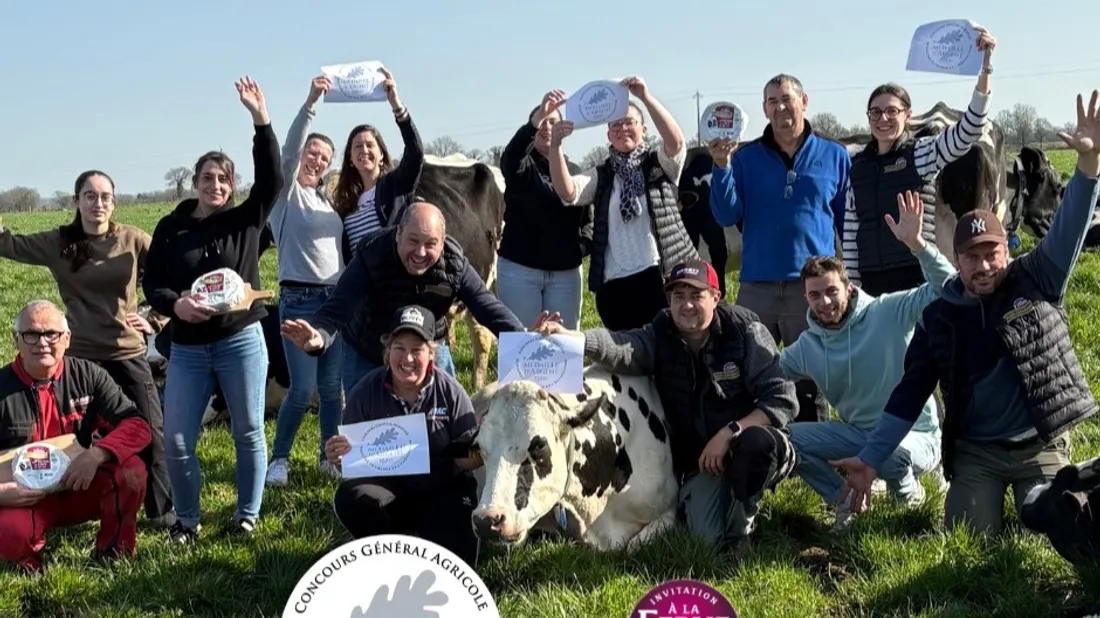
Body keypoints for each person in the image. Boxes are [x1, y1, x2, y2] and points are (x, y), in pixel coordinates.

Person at [832, 90, 1100, 536]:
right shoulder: (940, 316)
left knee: (1051, 525)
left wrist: (1089, 168)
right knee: (970, 540)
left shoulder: (1037, 278)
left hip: (1039, 442)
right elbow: (909, 393)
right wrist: (870, 458)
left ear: (1006, 250)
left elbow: (1071, 229)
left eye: (991, 253)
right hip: (978, 451)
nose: (983, 266)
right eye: (971, 257)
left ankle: (1054, 491)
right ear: (956, 259)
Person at [539, 259, 798, 553]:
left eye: (696, 295)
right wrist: (579, 340)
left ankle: (742, 532)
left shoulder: (744, 330)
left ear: (716, 297)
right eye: (678, 296)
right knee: (706, 540)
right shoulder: (661, 333)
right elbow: (624, 346)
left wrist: (729, 432)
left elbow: (783, 398)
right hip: (703, 461)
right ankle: (727, 509)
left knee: (755, 447)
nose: (686, 305)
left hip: (751, 440)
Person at [143, 76, 284, 544]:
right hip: (187, 347)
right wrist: (175, 305)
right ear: (195, 182)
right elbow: (153, 282)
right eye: (208, 177)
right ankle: (186, 519)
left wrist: (260, 120)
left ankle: (247, 513)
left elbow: (273, 178)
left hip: (240, 340)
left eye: (224, 178)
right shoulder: (171, 227)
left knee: (247, 431)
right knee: (178, 439)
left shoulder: (246, 219)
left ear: (233, 185)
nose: (216, 184)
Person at [0, 170, 174, 528]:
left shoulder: (133, 239)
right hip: (77, 358)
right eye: (90, 196)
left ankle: (163, 512)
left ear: (114, 201)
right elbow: (9, 245)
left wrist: (155, 319)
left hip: (126, 351)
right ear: (76, 200)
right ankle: (66, 506)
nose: (98, 203)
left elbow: (170, 277)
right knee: (75, 440)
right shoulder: (59, 243)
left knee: (152, 432)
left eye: (105, 196)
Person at [779, 190, 954, 530]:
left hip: (916, 436)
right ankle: (847, 502)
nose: (825, 302)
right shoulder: (807, 346)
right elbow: (770, 375)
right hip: (856, 435)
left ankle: (912, 506)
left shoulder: (887, 311)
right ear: (806, 298)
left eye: (832, 291)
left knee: (888, 451)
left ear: (848, 287)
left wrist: (917, 244)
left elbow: (946, 287)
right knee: (785, 440)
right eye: (815, 295)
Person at [708, 73, 851, 424]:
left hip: (811, 288)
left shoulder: (834, 155)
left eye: (787, 98)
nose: (780, 107)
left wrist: (848, 274)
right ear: (763, 109)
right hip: (758, 284)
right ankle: (752, 439)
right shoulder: (745, 158)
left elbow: (846, 220)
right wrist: (721, 166)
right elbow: (725, 213)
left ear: (804, 101)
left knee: (813, 372)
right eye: (772, 101)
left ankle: (813, 445)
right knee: (745, 365)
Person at [281, 202, 530, 391]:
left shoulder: (453, 263)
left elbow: (487, 306)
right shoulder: (371, 254)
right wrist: (319, 336)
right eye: (413, 240)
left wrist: (525, 338)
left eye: (431, 244)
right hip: (370, 348)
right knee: (365, 425)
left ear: (442, 243)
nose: (420, 252)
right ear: (398, 233)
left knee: (449, 419)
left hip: (429, 345)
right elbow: (338, 307)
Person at [324, 305, 484, 566]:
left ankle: (436, 537)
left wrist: (485, 442)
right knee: (352, 498)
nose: (407, 359)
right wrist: (340, 457)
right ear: (387, 351)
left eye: (417, 350)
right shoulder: (365, 392)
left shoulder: (451, 392)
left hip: (444, 489)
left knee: (457, 563)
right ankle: (388, 554)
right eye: (399, 348)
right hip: (391, 491)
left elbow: (466, 460)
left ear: (431, 353)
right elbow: (354, 462)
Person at [843, 26, 997, 295]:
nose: (883, 119)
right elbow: (851, 232)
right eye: (876, 112)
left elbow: (970, 129)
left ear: (908, 116)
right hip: (870, 286)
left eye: (892, 111)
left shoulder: (921, 154)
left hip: (917, 279)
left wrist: (985, 67)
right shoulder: (857, 165)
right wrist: (852, 290)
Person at [0, 301, 151, 572]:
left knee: (132, 471)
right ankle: (29, 564)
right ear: (16, 340)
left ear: (67, 339)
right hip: (20, 498)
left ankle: (114, 552)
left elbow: (137, 425)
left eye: (51, 334)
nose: (42, 343)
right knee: (10, 532)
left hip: (78, 486)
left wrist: (97, 454)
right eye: (31, 334)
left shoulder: (89, 375)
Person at [547, 76, 699, 331]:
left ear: (644, 129)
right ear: (608, 134)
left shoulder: (658, 164)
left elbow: (676, 143)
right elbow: (568, 192)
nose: (622, 129)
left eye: (629, 122)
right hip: (615, 285)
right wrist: (555, 147)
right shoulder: (603, 174)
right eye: (615, 125)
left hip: (659, 277)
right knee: (626, 360)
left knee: (666, 354)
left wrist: (646, 98)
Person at [265, 76, 345, 488]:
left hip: (335, 302)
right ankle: (278, 459)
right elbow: (289, 149)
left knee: (333, 388)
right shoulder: (285, 195)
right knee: (303, 389)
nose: (317, 160)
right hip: (298, 299)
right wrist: (311, 102)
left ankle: (327, 457)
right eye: (313, 153)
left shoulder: (327, 201)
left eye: (325, 157)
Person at [496, 89, 593, 330]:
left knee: (563, 342)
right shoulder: (520, 167)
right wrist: (540, 114)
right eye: (542, 122)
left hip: (565, 274)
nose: (547, 127)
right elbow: (513, 153)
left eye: (553, 121)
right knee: (521, 340)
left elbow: (587, 222)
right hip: (520, 270)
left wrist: (577, 250)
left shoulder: (576, 170)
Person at [330, 67, 424, 263]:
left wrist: (397, 106)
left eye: (370, 145)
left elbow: (415, 152)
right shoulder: (345, 203)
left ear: (381, 154)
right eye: (357, 146)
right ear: (350, 158)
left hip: (393, 281)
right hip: (362, 285)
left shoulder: (395, 185)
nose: (364, 150)